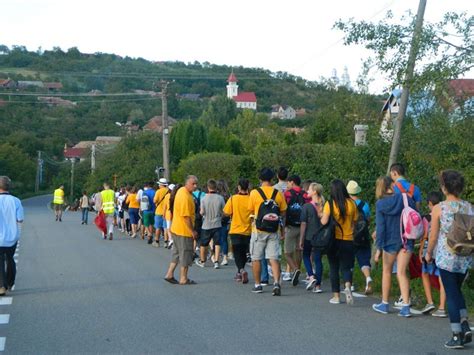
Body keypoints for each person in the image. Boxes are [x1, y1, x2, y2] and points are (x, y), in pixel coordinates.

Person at [425, 170, 473, 349]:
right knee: (456, 292)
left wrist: (428, 253)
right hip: (465, 257)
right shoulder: (469, 207)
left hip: (447, 258)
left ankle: (457, 335)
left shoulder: (439, 208)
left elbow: (434, 235)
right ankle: (464, 325)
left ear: (445, 188)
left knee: (451, 295)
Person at [372, 176, 416, 317]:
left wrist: (378, 248)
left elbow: (381, 227)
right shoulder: (406, 199)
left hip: (390, 242)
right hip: (406, 240)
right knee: (402, 272)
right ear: (392, 185)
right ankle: (406, 307)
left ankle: (384, 304)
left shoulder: (381, 204)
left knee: (387, 271)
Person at [248, 168, 287, 296]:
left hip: (258, 230)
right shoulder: (278, 193)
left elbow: (250, 210)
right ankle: (276, 283)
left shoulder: (254, 193)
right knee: (273, 257)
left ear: (260, 179)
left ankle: (258, 284)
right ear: (272, 179)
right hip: (274, 230)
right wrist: (282, 229)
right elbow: (283, 212)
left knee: (256, 258)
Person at [320, 179, 358, 305]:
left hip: (333, 240)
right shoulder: (352, 203)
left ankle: (336, 296)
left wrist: (321, 216)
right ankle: (347, 285)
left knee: (334, 267)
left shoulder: (330, 204)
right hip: (348, 239)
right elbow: (355, 222)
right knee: (346, 267)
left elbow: (324, 222)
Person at [164, 175, 199, 285]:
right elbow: (185, 216)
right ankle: (183, 278)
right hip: (183, 230)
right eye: (193, 184)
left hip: (176, 228)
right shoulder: (184, 196)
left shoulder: (182, 191)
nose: (195, 186)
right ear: (187, 183)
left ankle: (169, 274)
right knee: (185, 254)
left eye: (196, 184)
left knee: (176, 253)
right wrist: (192, 231)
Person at [419, 191, 447, 317]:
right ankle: (442, 307)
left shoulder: (426, 218)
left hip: (430, 248)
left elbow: (425, 236)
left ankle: (430, 301)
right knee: (442, 277)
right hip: (443, 249)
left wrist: (422, 251)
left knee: (424, 273)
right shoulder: (445, 214)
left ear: (430, 203)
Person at [346, 180, 374, 294]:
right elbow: (368, 220)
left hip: (350, 236)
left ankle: (350, 284)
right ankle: (368, 278)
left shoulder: (346, 204)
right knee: (364, 260)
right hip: (363, 236)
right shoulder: (365, 205)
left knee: (349, 260)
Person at [223, 178, 252, 283]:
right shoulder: (251, 198)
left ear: (239, 187)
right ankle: (241, 271)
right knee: (244, 252)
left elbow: (226, 212)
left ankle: (240, 270)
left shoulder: (233, 199)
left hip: (235, 229)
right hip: (248, 230)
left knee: (237, 252)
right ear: (248, 187)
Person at [0, 176, 24, 295]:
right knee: (10, 259)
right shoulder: (16, 201)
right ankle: (10, 283)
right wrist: (18, 235)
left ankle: (2, 286)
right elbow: (20, 219)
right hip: (12, 237)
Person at [299, 182, 324, 292]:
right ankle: (318, 285)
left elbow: (304, 224)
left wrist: (301, 239)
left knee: (306, 256)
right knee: (318, 260)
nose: (307, 191)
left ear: (314, 191)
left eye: (309, 189)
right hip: (321, 237)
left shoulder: (307, 206)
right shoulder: (325, 205)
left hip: (309, 236)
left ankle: (311, 276)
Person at [196, 179, 225, 269]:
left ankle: (202, 260)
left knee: (203, 243)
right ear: (216, 187)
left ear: (208, 188)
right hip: (217, 223)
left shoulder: (204, 198)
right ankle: (216, 261)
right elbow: (223, 211)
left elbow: (202, 212)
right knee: (217, 243)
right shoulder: (220, 198)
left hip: (206, 224)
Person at [283, 175, 305, 286]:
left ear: (292, 182)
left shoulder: (287, 194)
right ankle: (298, 270)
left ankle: (295, 269)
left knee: (287, 252)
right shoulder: (305, 194)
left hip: (290, 227)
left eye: (288, 183)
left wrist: (283, 227)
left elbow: (283, 209)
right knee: (299, 250)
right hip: (302, 226)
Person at [217, 180, 231, 266]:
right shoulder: (228, 196)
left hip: (218, 218)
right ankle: (225, 256)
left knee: (218, 238)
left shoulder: (217, 196)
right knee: (224, 238)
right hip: (226, 218)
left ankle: (218, 255)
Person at [153, 178, 170, 247]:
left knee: (158, 227)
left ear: (161, 185)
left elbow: (154, 201)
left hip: (159, 212)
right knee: (165, 227)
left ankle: (157, 241)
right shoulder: (169, 191)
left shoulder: (158, 191)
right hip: (166, 212)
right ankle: (166, 242)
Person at [163, 184, 176, 249]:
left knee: (168, 228)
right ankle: (173, 240)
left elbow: (165, 206)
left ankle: (171, 240)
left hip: (168, 213)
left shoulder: (167, 196)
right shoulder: (176, 196)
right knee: (174, 228)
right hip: (175, 213)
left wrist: (163, 214)